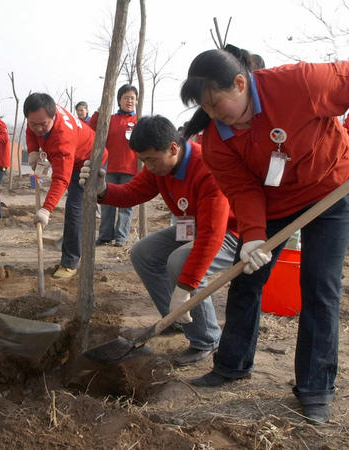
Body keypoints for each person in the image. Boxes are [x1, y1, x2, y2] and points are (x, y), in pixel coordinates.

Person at [180, 48, 349, 424]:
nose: (212, 114)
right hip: (273, 204)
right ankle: (231, 365)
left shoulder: (300, 83)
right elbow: (242, 190)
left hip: (330, 191)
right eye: (204, 108)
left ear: (240, 83)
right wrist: (254, 236)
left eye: (216, 103)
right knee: (246, 278)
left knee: (320, 286)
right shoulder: (216, 141)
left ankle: (315, 387)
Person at [80, 115, 238, 366]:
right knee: (144, 252)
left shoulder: (207, 169)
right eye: (143, 161)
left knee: (180, 261)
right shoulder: (159, 167)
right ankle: (175, 319)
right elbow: (132, 192)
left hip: (232, 233)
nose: (148, 167)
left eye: (151, 159)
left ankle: (206, 338)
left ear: (173, 148)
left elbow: (212, 236)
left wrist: (185, 287)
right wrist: (103, 190)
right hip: (195, 226)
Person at [24, 92, 107, 279]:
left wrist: (46, 210)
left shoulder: (63, 138)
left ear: (53, 117)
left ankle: (70, 263)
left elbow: (61, 179)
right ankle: (69, 242)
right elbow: (31, 131)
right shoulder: (39, 118)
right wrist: (32, 152)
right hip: (74, 155)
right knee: (74, 209)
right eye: (33, 123)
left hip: (88, 160)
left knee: (74, 208)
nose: (38, 128)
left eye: (43, 124)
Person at [89, 84, 138, 247]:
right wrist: (99, 110)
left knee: (126, 205)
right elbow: (91, 127)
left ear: (137, 101)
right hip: (109, 168)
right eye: (126, 98)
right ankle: (104, 236)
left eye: (132, 98)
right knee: (107, 203)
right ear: (119, 100)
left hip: (130, 169)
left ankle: (121, 237)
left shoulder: (139, 121)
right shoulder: (110, 119)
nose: (129, 101)